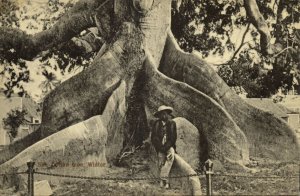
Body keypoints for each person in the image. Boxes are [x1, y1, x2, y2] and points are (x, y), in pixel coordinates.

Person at [151, 105, 177, 189]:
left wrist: (166, 147)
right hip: (159, 146)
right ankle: (165, 183)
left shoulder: (172, 123)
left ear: (168, 114)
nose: (164, 116)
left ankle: (162, 179)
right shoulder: (156, 124)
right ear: (159, 115)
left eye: (166, 114)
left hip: (169, 145)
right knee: (161, 162)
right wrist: (160, 147)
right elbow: (154, 137)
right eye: (162, 114)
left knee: (171, 157)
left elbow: (173, 138)